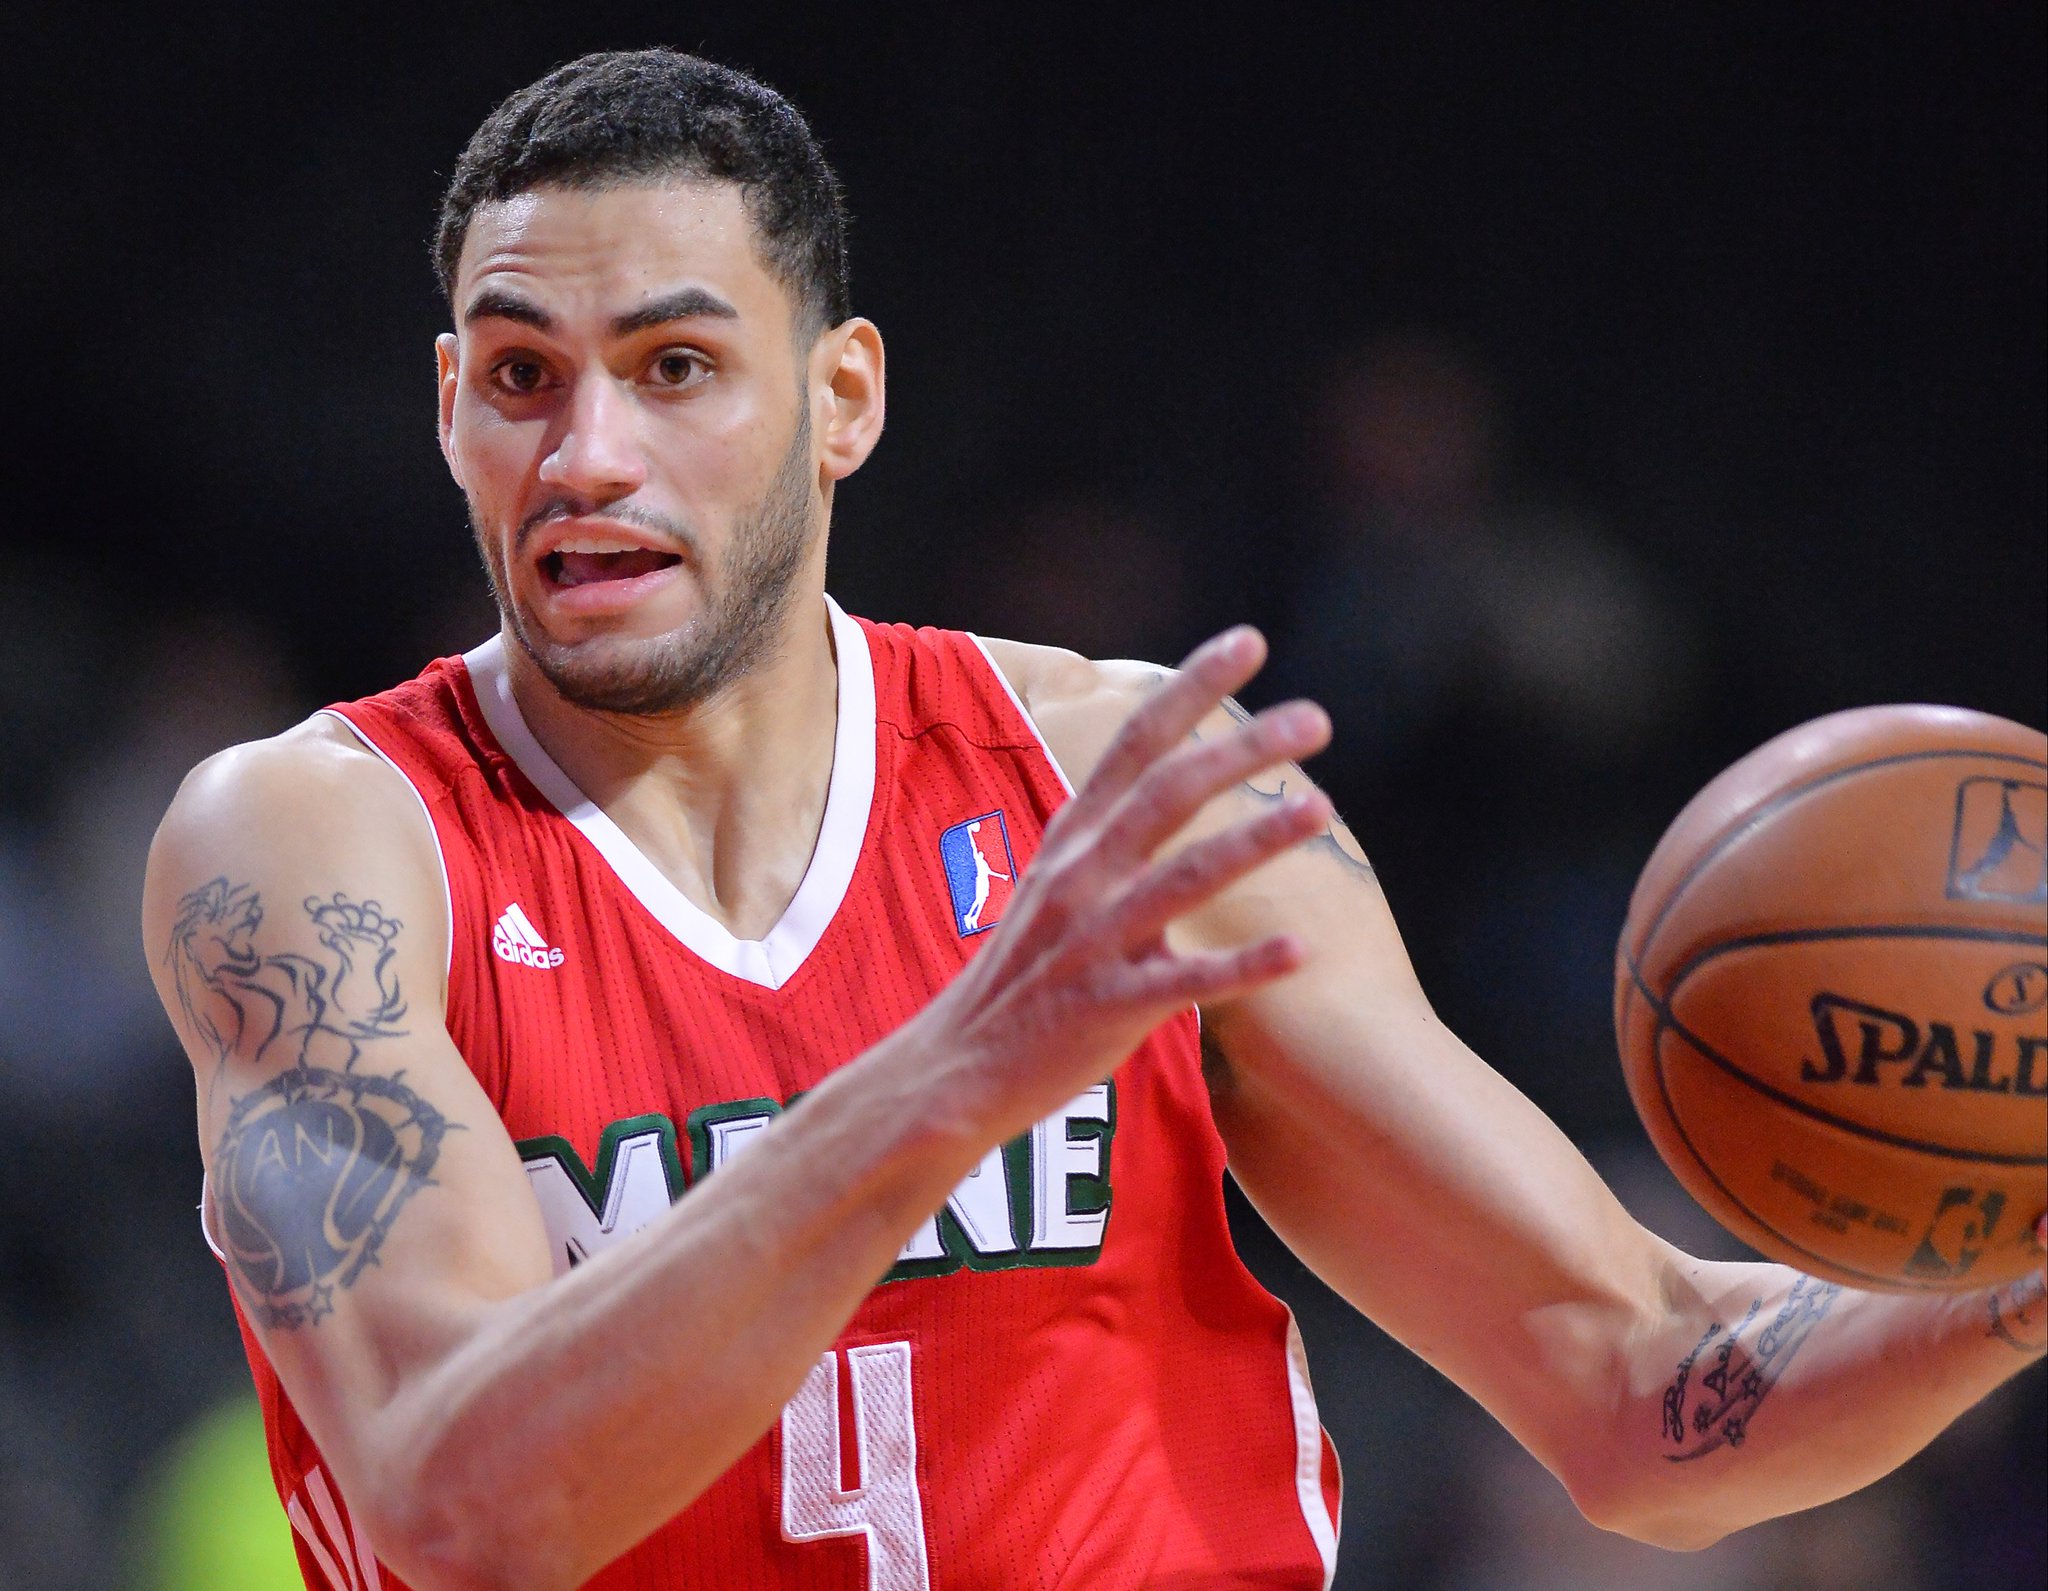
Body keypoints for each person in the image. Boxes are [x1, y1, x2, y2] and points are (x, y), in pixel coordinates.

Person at [141, 49, 2045, 1591]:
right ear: (450, 410)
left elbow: (1648, 1388)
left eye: (678, 368)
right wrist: (954, 1070)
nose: (588, 454)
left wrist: (2011, 1290)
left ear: (842, 400)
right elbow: (466, 1507)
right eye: (520, 379)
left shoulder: (1118, 785)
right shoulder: (316, 851)